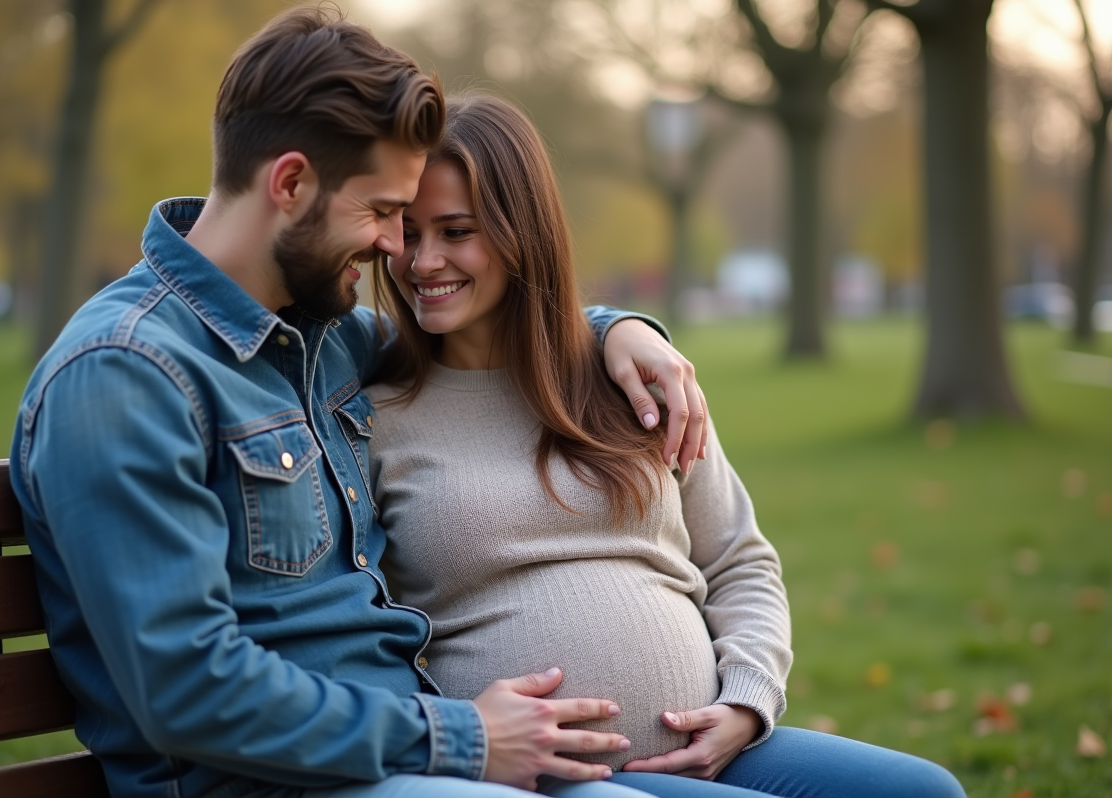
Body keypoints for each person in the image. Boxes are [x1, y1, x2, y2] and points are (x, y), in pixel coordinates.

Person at [9, 8, 711, 798]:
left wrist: (618, 331)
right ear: (291, 183)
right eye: (381, 212)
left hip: (400, 763)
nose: (394, 249)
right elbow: (186, 688)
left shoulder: (324, 334)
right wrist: (460, 737)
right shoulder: (124, 374)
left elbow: (499, 319)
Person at [366, 93, 968, 798]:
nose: (424, 260)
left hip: (715, 747)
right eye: (408, 231)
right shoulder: (374, 416)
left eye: (456, 231)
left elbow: (739, 559)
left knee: (926, 791)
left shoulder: (633, 379)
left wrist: (747, 703)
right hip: (549, 775)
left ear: (520, 231)